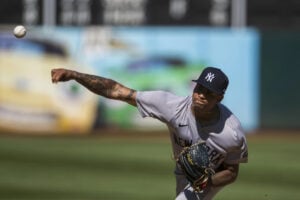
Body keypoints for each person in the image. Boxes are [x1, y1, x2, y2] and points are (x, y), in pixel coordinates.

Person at [51, 66, 248, 200]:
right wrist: (75, 75)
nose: (200, 95)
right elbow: (117, 91)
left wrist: (207, 182)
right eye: (199, 88)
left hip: (207, 181)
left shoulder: (232, 133)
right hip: (182, 172)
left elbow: (231, 173)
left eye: (209, 93)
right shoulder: (171, 106)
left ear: (220, 97)